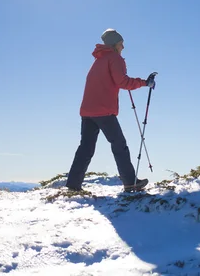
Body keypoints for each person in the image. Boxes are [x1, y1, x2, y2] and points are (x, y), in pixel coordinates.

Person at [65, 29, 156, 192]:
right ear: (115, 44)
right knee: (119, 144)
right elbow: (123, 82)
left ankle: (72, 185)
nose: (123, 47)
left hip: (87, 111)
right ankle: (130, 182)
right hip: (104, 110)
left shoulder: (99, 60)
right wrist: (145, 83)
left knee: (85, 148)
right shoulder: (114, 58)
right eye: (121, 44)